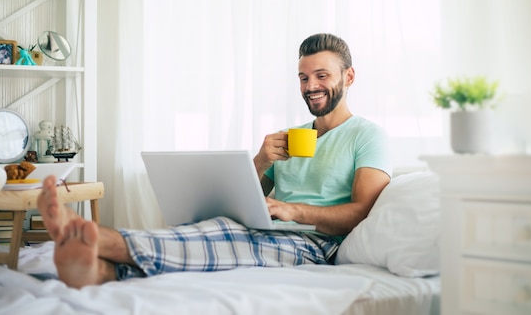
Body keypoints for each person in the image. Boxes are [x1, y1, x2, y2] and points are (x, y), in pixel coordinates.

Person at [37, 33, 393, 288]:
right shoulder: (290, 136)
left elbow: (361, 212)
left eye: (321, 76)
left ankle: (96, 238)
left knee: (221, 236)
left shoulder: (367, 135)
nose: (310, 85)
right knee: (207, 231)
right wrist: (259, 161)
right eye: (303, 77)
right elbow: (249, 199)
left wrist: (294, 210)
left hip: (315, 243)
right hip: (268, 230)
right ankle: (100, 274)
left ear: (348, 77)